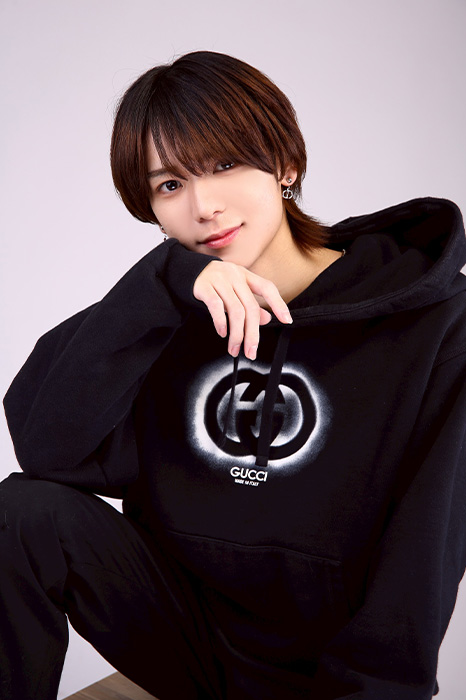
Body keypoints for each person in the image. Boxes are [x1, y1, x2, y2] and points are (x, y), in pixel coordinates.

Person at [1, 50, 466, 700]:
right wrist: (161, 285)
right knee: (20, 511)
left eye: (224, 165)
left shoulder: (436, 323)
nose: (204, 206)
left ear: (285, 164)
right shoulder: (167, 311)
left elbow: (424, 549)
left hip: (318, 674)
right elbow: (48, 453)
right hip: (186, 644)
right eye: (169, 185)